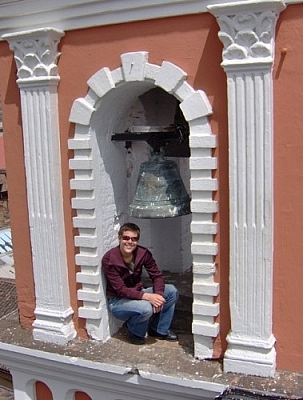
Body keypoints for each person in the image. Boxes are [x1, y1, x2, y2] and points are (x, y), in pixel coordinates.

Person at [102, 222, 179, 345]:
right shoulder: (110, 259)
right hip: (118, 301)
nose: (129, 242)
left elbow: (157, 275)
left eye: (134, 239)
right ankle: (135, 332)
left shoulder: (143, 253)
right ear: (119, 238)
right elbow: (121, 289)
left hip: (138, 292)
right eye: (126, 238)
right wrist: (149, 297)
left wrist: (158, 295)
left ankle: (159, 329)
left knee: (171, 291)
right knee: (146, 308)